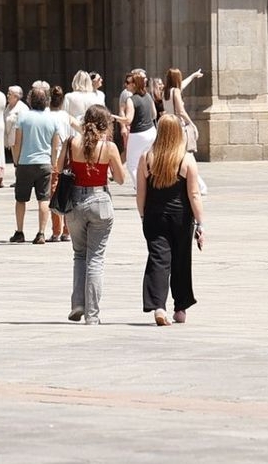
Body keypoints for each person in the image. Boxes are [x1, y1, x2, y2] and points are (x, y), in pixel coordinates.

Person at [58, 105, 126, 325]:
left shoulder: (71, 143)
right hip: (100, 201)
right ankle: (92, 314)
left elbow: (57, 167)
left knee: (79, 255)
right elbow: (121, 178)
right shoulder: (109, 147)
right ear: (105, 125)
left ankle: (78, 303)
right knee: (95, 258)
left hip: (75, 201)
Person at [136, 115, 206, 326]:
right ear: (178, 133)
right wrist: (201, 223)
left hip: (154, 216)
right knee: (181, 260)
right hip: (181, 217)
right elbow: (194, 194)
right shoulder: (186, 160)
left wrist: (143, 216)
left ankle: (158, 306)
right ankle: (180, 308)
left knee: (158, 259)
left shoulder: (146, 158)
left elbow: (141, 193)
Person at [11, 87, 63, 245]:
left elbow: (17, 142)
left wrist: (16, 161)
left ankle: (19, 232)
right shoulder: (52, 119)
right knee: (43, 199)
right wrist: (53, 162)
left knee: (21, 199)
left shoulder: (23, 117)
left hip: (25, 163)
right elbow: (55, 145)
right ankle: (41, 233)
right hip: (44, 163)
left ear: (30, 100)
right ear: (46, 100)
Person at [119, 69, 158, 188]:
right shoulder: (148, 96)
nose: (126, 84)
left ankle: (142, 189)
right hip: (151, 131)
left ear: (134, 84)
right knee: (148, 161)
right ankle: (153, 186)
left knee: (132, 165)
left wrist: (114, 117)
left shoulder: (131, 100)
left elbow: (128, 120)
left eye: (128, 82)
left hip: (138, 134)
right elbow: (154, 115)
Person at [46, 85, 74, 242]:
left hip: (52, 158)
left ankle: (56, 231)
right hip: (67, 157)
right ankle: (67, 231)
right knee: (67, 192)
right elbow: (81, 129)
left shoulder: (46, 115)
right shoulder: (66, 116)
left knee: (54, 193)